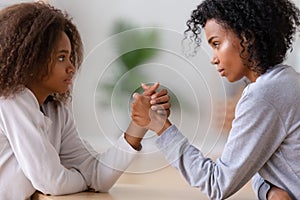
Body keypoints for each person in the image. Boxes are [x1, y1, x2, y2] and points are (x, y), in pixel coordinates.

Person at [131, 0, 300, 199]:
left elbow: (217, 184)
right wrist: (269, 189)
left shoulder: (262, 95)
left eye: (217, 44)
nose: (214, 58)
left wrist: (160, 126)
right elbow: (259, 164)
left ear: (247, 38)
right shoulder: (289, 81)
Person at [0, 2, 170, 200]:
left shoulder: (56, 111)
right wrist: (83, 180)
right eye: (61, 58)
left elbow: (97, 177)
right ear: (31, 60)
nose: (72, 67)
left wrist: (138, 126)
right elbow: (50, 181)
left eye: (70, 57)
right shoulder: (12, 101)